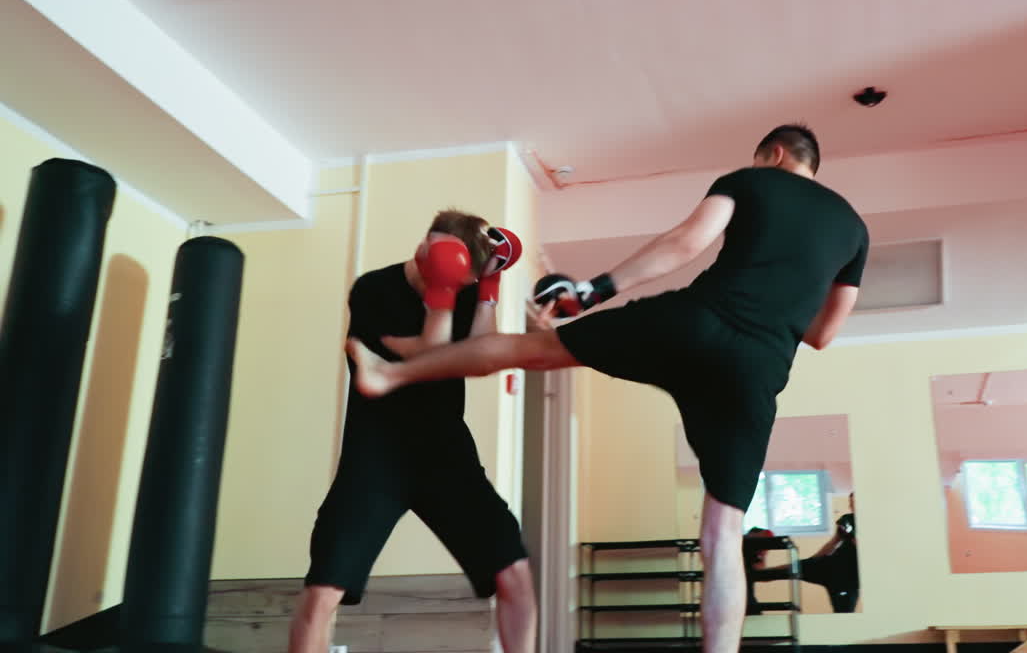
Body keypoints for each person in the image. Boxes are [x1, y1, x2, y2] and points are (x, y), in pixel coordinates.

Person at [346, 124, 870, 653]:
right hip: (758, 370)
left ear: (774, 154)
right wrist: (789, 296)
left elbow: (686, 242)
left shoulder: (752, 181)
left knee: (532, 350)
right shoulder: (854, 231)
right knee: (723, 532)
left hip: (694, 322)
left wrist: (593, 291)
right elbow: (822, 335)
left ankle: (387, 374)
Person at [288, 210, 535, 653]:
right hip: (375, 455)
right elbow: (426, 355)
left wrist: (488, 290)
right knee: (324, 588)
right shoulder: (374, 289)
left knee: (515, 571)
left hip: (445, 452)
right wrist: (443, 291)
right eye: (428, 245)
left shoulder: (468, 287)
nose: (425, 256)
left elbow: (482, 352)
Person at [755, 492, 859, 612]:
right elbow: (832, 543)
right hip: (829, 565)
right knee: (787, 570)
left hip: (848, 579)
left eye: (854, 503)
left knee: (845, 612)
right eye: (850, 503)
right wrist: (814, 559)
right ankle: (752, 575)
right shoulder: (847, 519)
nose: (851, 506)